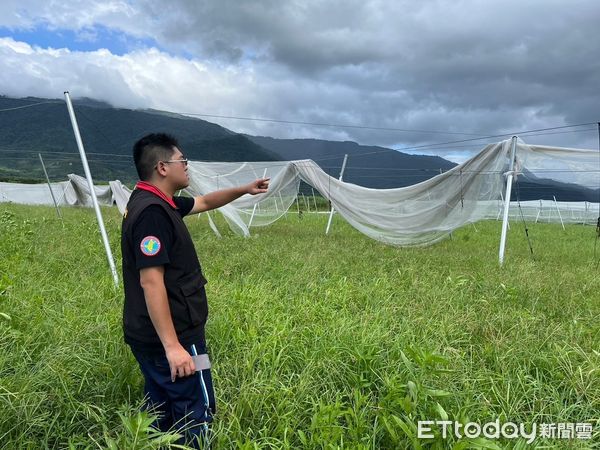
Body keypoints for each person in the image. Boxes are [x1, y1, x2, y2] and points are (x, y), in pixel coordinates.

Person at [121, 133, 269, 447]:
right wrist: (174, 347)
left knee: (161, 402)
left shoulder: (159, 202)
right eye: (183, 161)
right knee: (194, 409)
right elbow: (151, 281)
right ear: (163, 167)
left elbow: (203, 202)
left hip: (150, 333)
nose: (187, 167)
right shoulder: (151, 213)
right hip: (174, 336)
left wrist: (243, 189)